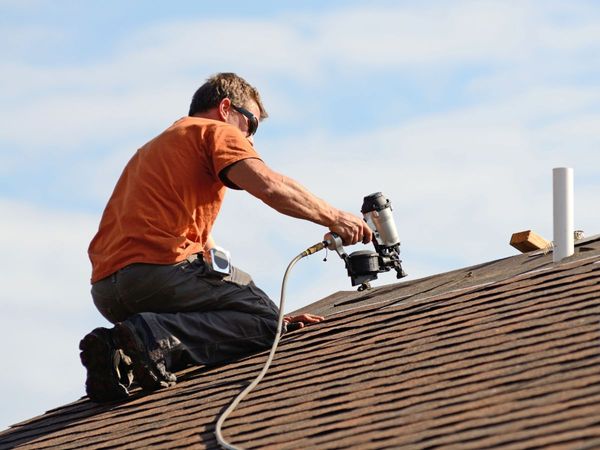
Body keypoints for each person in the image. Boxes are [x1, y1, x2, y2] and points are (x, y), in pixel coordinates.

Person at [80, 72, 372, 402]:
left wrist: (257, 312)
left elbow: (204, 255)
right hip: (158, 273)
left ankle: (121, 353)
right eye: (251, 125)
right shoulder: (215, 131)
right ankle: (151, 337)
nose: (250, 140)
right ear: (225, 108)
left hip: (107, 291)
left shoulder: (154, 149)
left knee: (256, 311)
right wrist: (336, 217)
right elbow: (269, 186)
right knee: (266, 324)